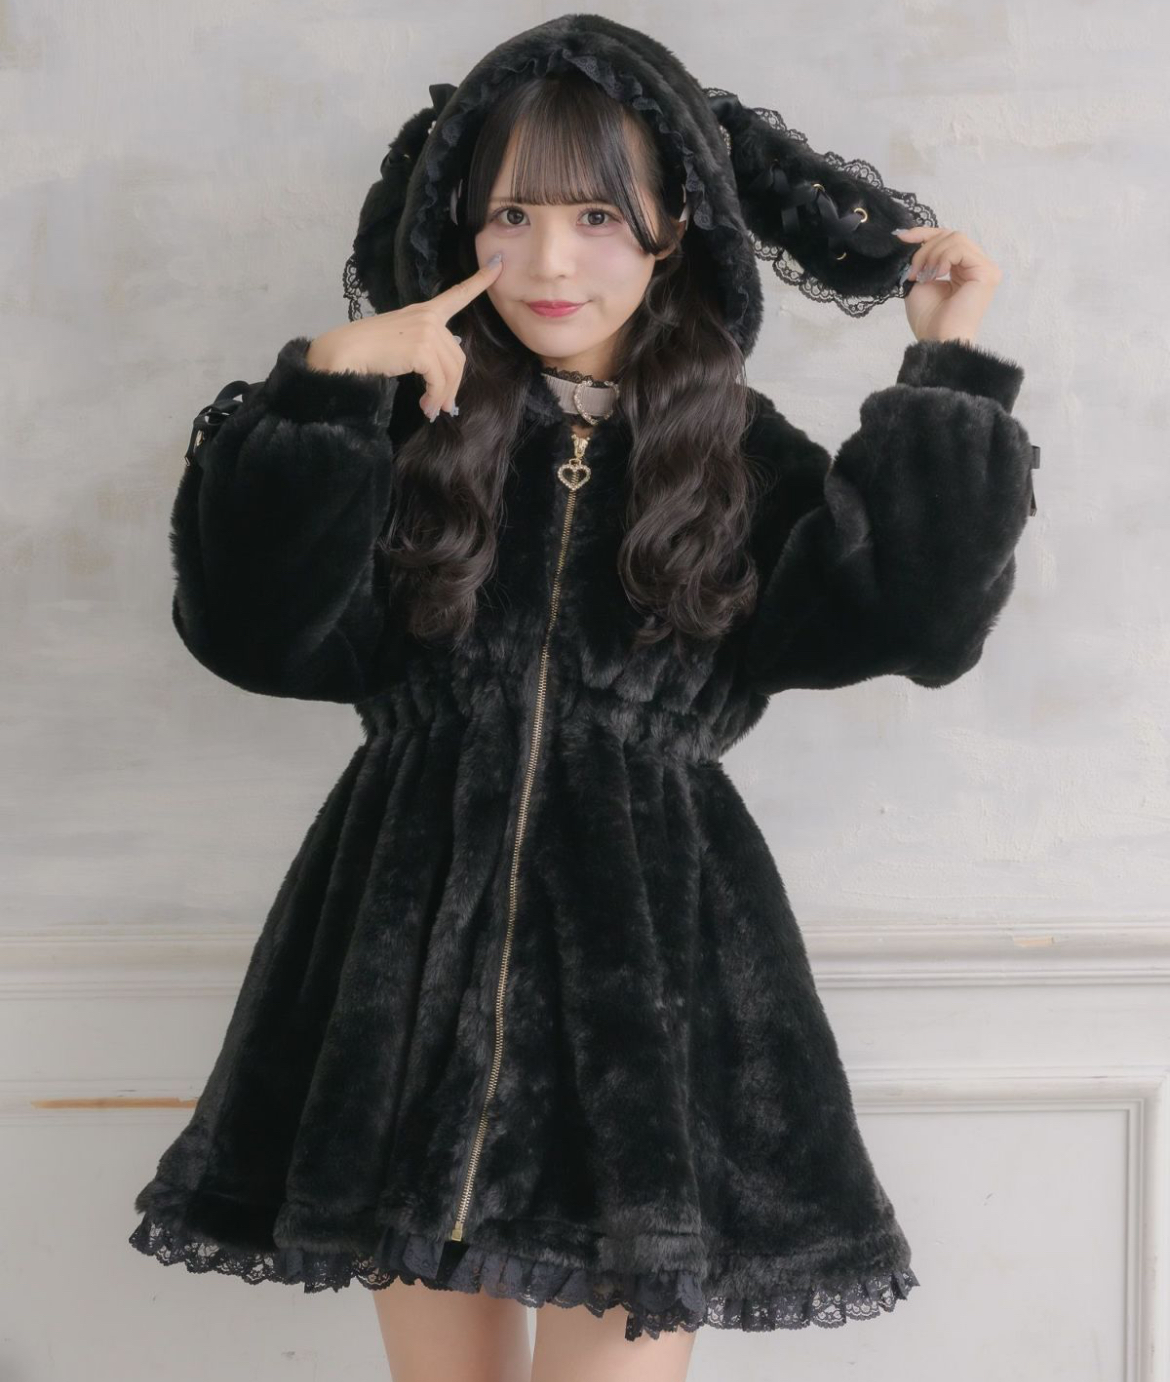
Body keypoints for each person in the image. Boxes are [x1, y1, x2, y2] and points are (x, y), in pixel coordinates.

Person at [128, 14, 1039, 1382]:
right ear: (459, 225)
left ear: (673, 229)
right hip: (403, 974)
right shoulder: (408, 434)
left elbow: (918, 621)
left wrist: (948, 364)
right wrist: (327, 390)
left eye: (599, 217)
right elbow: (253, 636)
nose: (549, 262)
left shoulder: (741, 458)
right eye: (511, 215)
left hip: (651, 987)